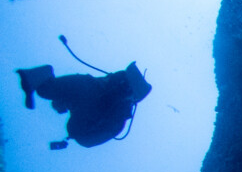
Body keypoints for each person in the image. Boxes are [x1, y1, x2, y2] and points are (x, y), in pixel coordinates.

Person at [16, 61, 151, 149]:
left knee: (45, 90)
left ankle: (31, 78)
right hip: (83, 123)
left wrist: (70, 102)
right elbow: (87, 140)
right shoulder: (118, 118)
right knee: (50, 94)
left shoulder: (92, 86)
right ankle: (32, 80)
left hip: (89, 91)